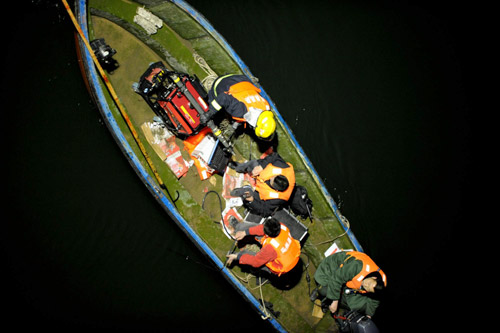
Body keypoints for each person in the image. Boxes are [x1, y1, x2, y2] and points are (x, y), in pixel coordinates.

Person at [311, 251, 387, 318]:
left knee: (359, 305)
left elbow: (375, 300)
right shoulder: (357, 266)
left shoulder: (380, 285)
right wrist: (335, 302)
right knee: (324, 290)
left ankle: (331, 301)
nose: (365, 285)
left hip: (349, 282)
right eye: (369, 283)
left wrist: (369, 315)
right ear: (374, 277)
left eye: (368, 288)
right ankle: (320, 294)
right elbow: (337, 278)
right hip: (335, 269)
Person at [204, 74, 276, 140]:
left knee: (233, 104)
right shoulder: (239, 111)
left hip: (241, 78)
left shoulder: (267, 106)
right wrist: (209, 113)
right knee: (214, 105)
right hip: (221, 82)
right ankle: (209, 96)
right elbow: (223, 98)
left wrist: (236, 123)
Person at [226, 217, 301, 277]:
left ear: (268, 235)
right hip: (289, 251)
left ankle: (238, 257)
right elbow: (261, 228)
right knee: (256, 228)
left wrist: (237, 256)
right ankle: (238, 226)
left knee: (256, 260)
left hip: (282, 264)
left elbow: (256, 261)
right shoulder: (279, 226)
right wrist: (245, 232)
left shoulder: (270, 248)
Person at [229, 152, 295, 217]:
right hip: (260, 172)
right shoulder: (286, 169)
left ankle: (242, 190)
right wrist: (262, 166)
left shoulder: (278, 199)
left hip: (259, 192)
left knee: (247, 195)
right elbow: (274, 156)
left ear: (276, 189)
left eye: (271, 180)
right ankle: (238, 167)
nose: (271, 177)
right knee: (253, 163)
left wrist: (253, 201)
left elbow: (265, 211)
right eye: (274, 176)